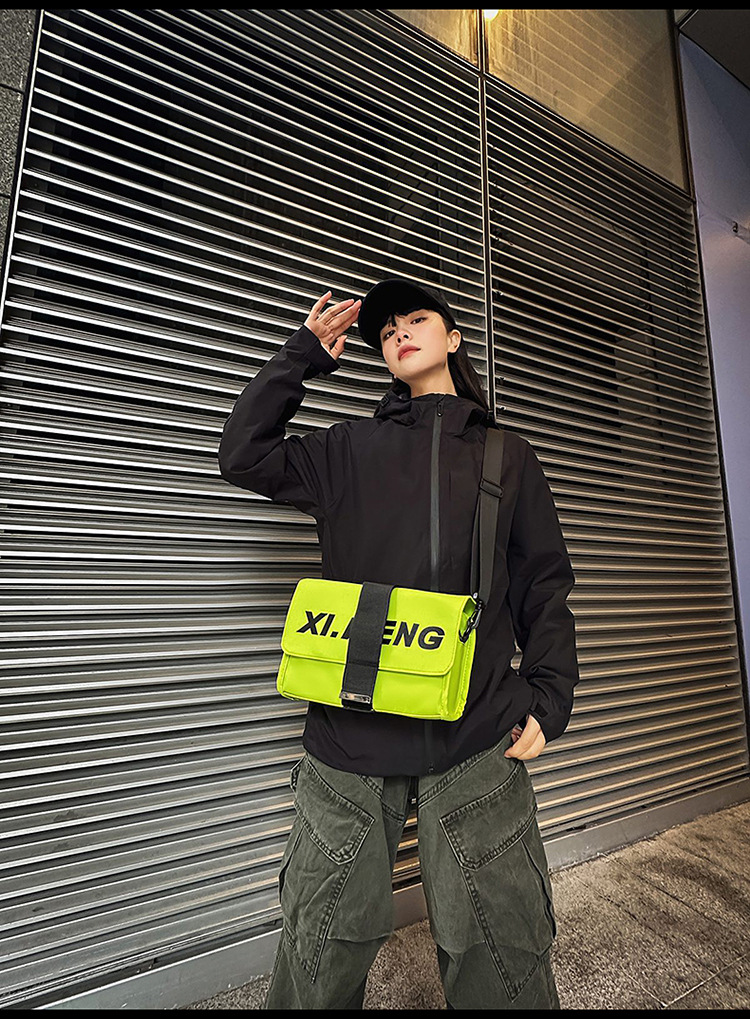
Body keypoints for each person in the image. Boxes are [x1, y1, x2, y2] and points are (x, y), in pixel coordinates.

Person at [217, 278, 579, 1009]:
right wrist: (301, 356)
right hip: (350, 739)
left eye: (417, 319)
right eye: (386, 331)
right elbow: (243, 454)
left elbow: (543, 581)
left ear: (453, 338)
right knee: (317, 955)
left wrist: (550, 696)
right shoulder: (347, 449)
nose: (400, 333)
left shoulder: (507, 455)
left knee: (502, 956)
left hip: (477, 733)